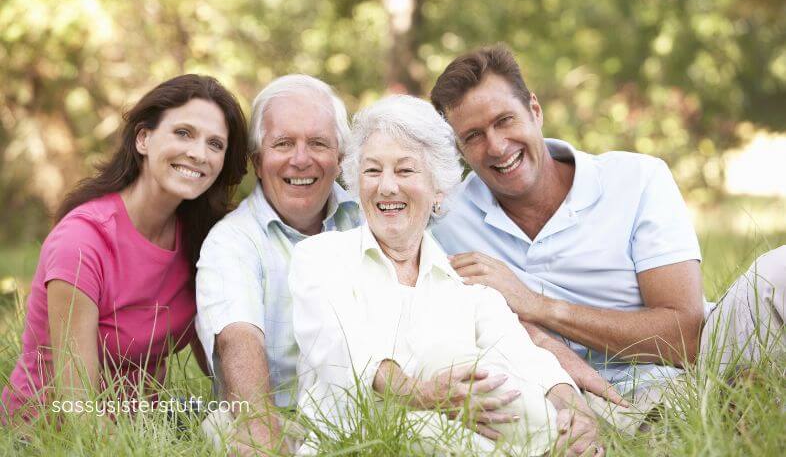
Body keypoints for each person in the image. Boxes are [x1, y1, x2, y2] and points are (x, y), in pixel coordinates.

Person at [428, 44, 785, 426]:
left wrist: (536, 304)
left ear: (534, 110)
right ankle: (719, 411)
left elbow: (685, 335)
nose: (497, 146)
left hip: (707, 353)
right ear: (460, 149)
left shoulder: (637, 179)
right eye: (474, 136)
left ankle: (734, 396)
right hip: (590, 393)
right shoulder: (444, 219)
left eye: (504, 120)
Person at [289, 95, 603, 457]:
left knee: (500, 385)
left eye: (405, 171)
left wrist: (573, 409)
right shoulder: (320, 259)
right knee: (426, 415)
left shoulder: (465, 285)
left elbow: (523, 355)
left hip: (460, 441)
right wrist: (420, 394)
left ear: (438, 189)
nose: (387, 187)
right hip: (355, 443)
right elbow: (342, 350)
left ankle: (559, 443)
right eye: (372, 171)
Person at [1, 74, 248, 424]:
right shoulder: (82, 241)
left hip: (145, 422)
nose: (198, 153)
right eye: (183, 133)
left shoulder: (202, 240)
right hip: (51, 432)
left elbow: (223, 375)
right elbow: (78, 411)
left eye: (215, 144)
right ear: (143, 138)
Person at [195, 75, 362, 455]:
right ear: (257, 160)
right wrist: (258, 423)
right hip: (281, 417)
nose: (300, 159)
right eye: (283, 143)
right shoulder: (232, 241)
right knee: (230, 429)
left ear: (339, 157)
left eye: (318, 143)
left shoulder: (369, 215)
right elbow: (239, 338)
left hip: (374, 413)